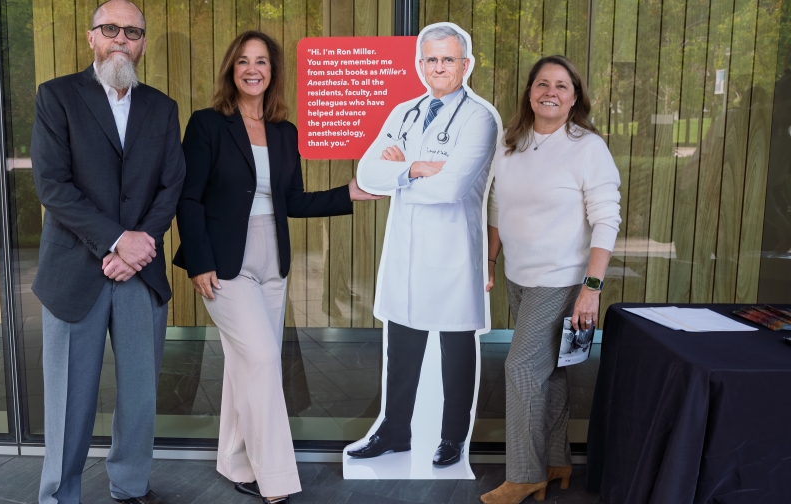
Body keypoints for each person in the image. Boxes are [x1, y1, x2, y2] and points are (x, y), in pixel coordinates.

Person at [173, 31, 382, 504]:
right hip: (225, 262)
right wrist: (198, 262)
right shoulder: (207, 125)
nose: (253, 69)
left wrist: (348, 193)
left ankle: (234, 461)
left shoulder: (285, 131)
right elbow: (188, 198)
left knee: (246, 363)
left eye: (262, 61)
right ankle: (277, 480)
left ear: (273, 71)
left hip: (275, 260)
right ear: (232, 68)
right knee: (265, 359)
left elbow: (291, 201)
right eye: (244, 61)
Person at [30, 0, 185, 502]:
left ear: (142, 42)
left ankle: (131, 485)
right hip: (75, 271)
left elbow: (171, 185)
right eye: (111, 29)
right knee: (71, 400)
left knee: (140, 396)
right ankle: (60, 494)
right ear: (92, 37)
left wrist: (139, 246)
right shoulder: (57, 97)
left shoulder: (161, 107)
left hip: (140, 273)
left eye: (133, 31)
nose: (122, 39)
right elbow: (53, 186)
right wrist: (119, 239)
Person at [348, 23, 501, 468]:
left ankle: (453, 437)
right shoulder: (404, 112)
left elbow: (452, 188)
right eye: (431, 59)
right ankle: (395, 431)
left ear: (465, 65)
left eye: (448, 59)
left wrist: (400, 175)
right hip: (406, 251)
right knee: (402, 344)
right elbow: (367, 175)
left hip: (453, 251)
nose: (439, 67)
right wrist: (417, 167)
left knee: (456, 350)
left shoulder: (480, 118)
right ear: (419, 65)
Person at [480, 55, 621, 504]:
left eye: (562, 86)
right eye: (543, 84)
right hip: (519, 275)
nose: (551, 92)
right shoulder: (511, 143)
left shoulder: (587, 147)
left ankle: (524, 474)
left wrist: (591, 290)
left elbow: (606, 220)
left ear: (574, 96)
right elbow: (498, 206)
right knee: (551, 370)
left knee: (520, 367)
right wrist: (490, 260)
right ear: (529, 92)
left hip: (561, 279)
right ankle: (557, 458)